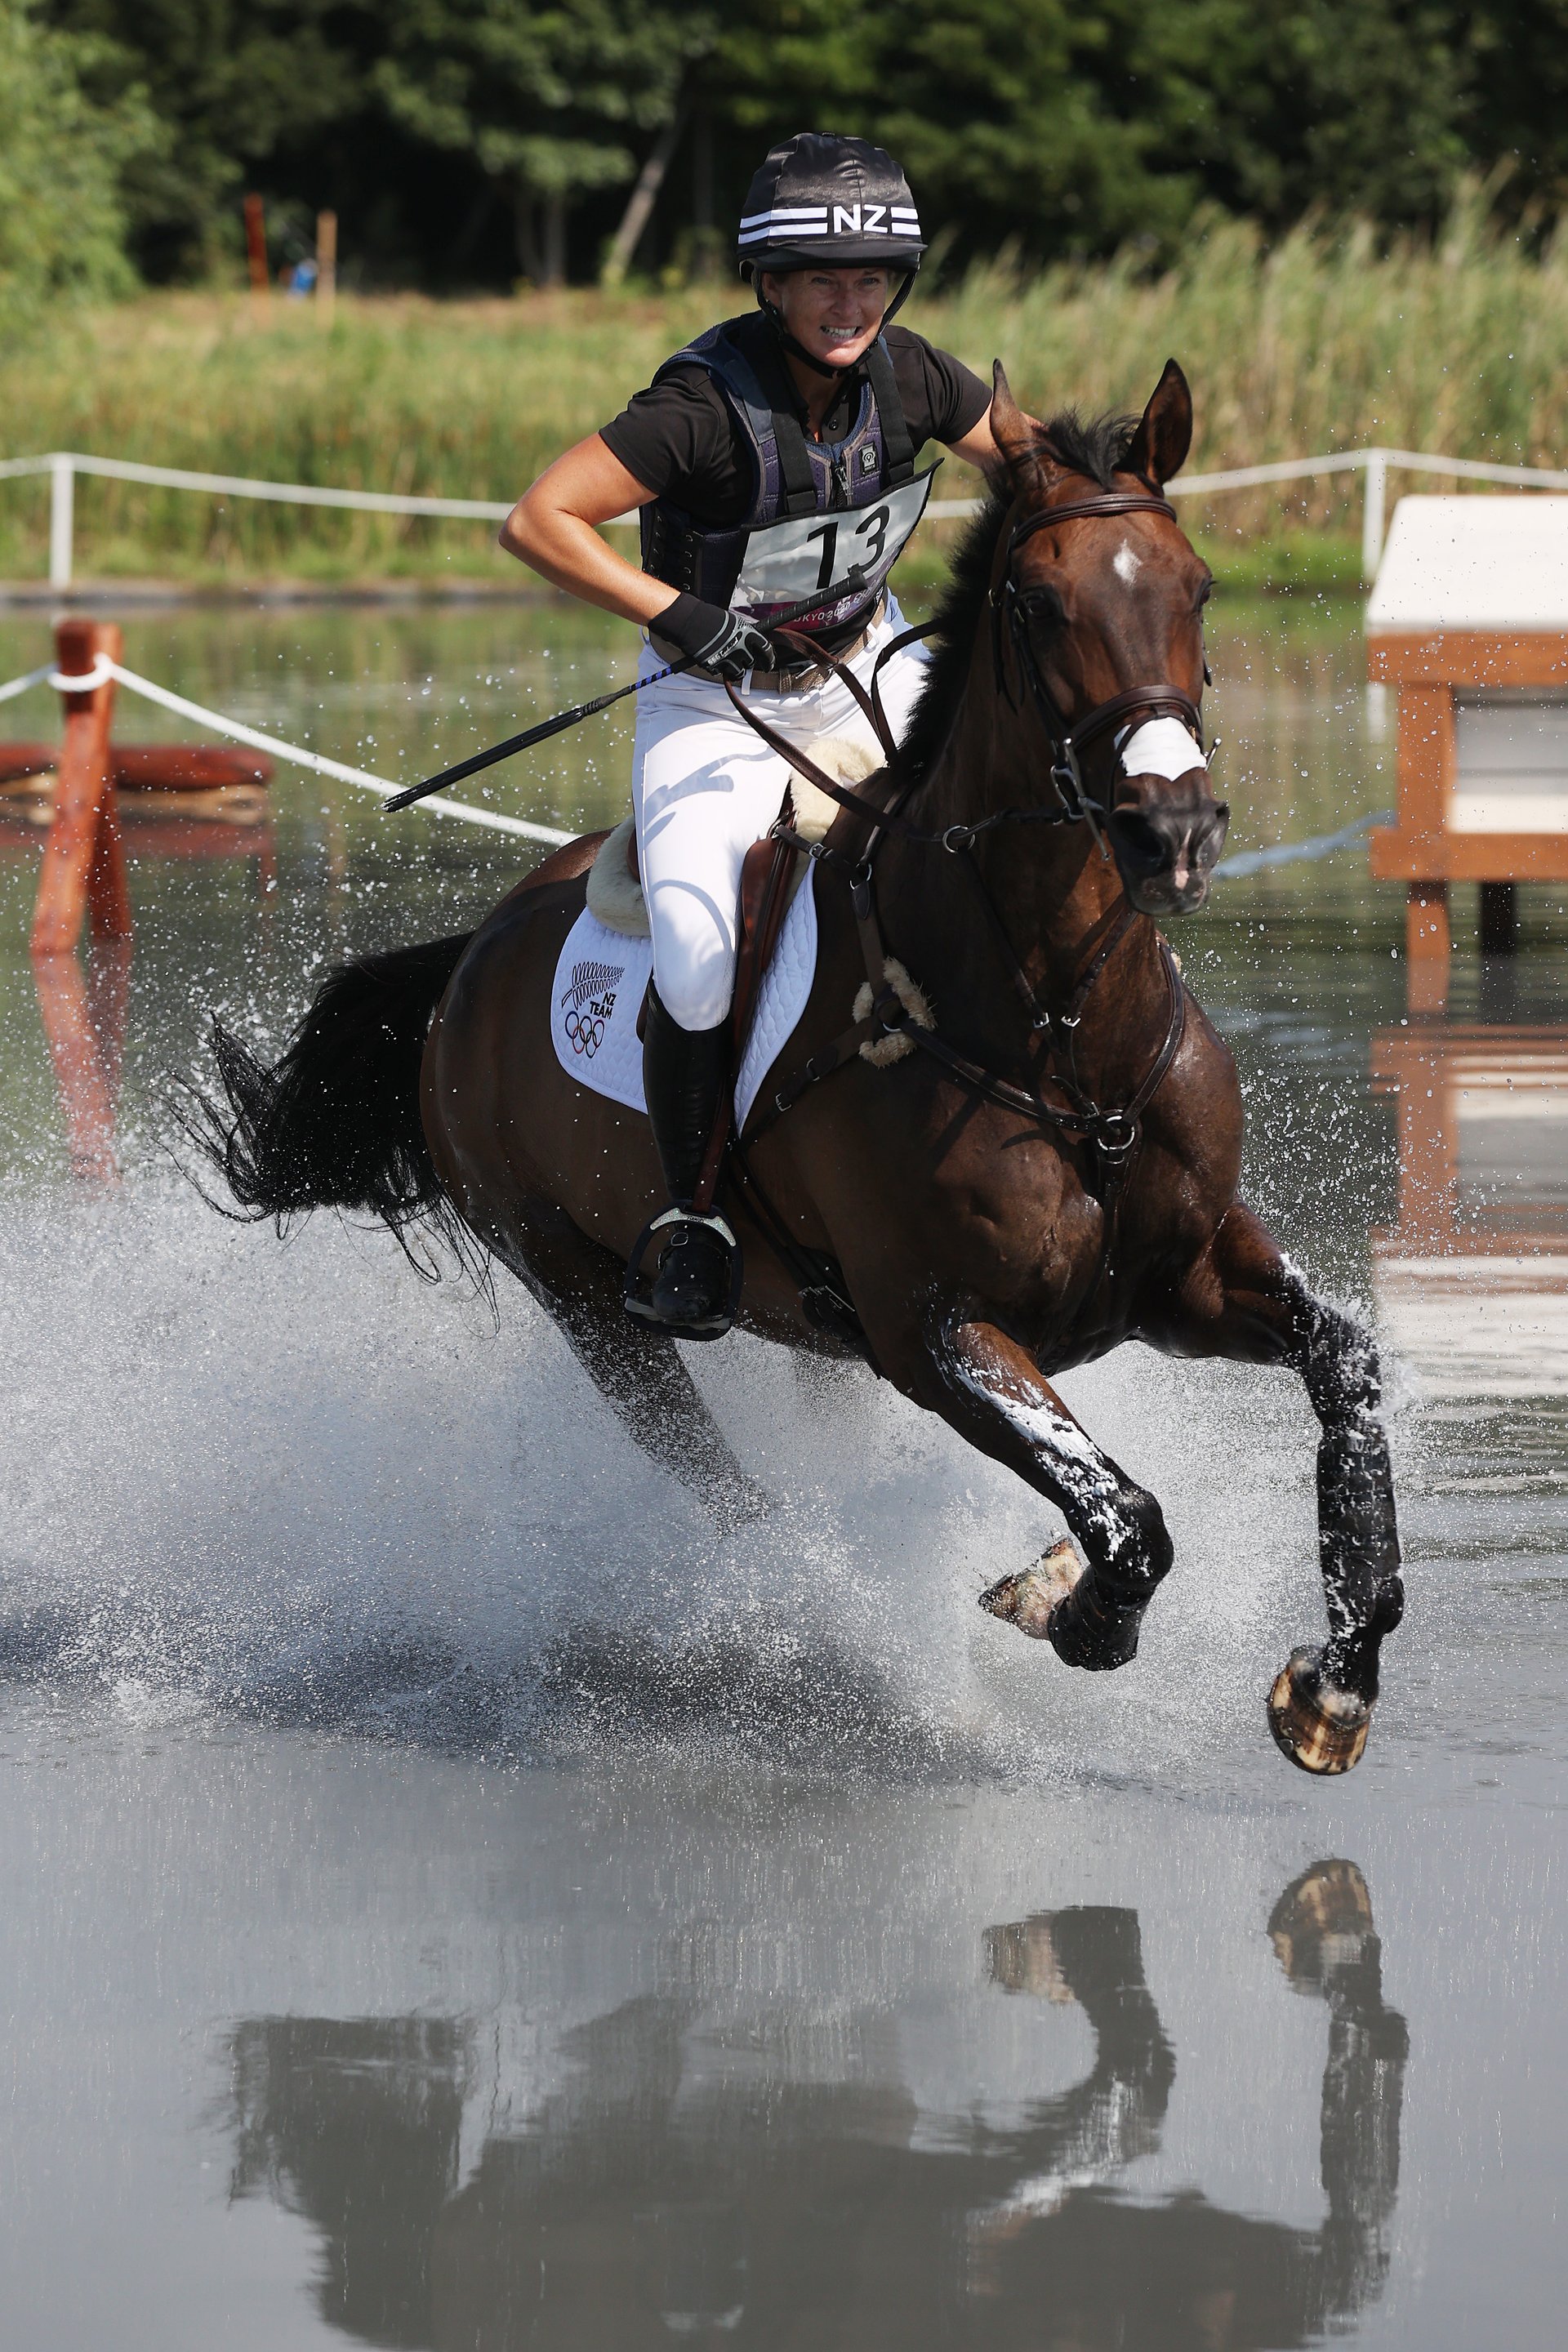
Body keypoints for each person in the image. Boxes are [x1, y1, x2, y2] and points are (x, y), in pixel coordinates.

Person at [501, 131, 999, 1336]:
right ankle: (694, 1217)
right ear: (768, 286)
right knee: (697, 944)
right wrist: (693, 620)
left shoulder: (916, 376)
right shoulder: (699, 413)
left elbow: (1033, 467)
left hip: (870, 666)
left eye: (870, 279)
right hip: (713, 701)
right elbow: (539, 520)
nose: (850, 302)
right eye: (822, 278)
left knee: (1026, 828)